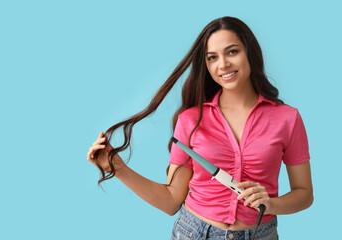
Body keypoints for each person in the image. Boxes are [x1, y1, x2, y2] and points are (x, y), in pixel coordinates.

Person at [87, 16, 313, 240]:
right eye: (212, 57)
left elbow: (304, 194)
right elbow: (171, 200)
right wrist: (117, 168)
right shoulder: (190, 119)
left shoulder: (287, 118)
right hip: (194, 232)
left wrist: (272, 204)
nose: (223, 64)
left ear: (250, 53)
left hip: (260, 234)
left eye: (232, 52)